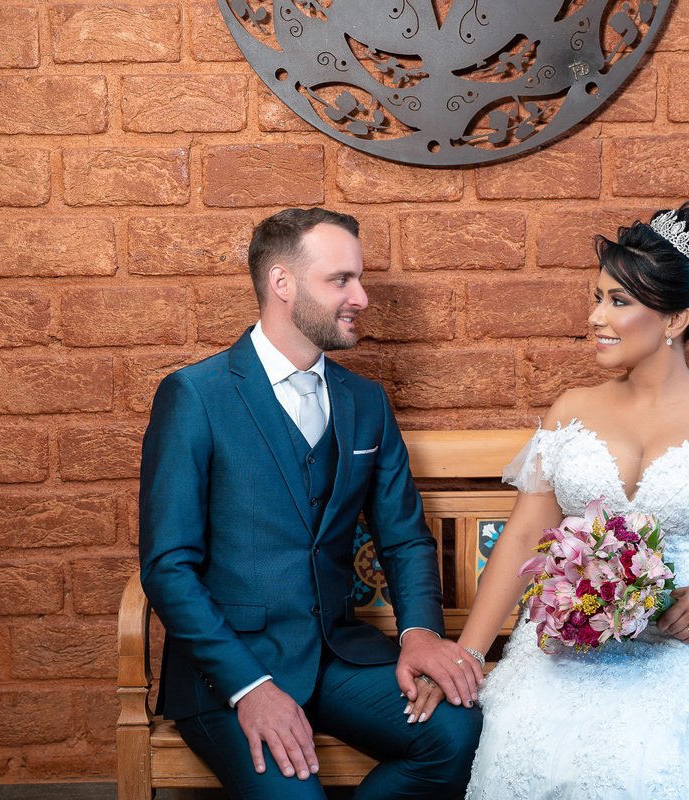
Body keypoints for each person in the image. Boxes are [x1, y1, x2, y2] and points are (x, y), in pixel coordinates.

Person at [407, 201, 689, 799]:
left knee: (638, 764)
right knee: (520, 740)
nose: (596, 317)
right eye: (597, 297)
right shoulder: (573, 410)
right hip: (563, 648)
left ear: (673, 319)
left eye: (618, 302)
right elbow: (522, 538)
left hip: (678, 649)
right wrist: (466, 656)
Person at [138, 207, 483, 800]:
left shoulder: (365, 402)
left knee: (457, 730)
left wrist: (420, 631)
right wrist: (249, 688)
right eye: (341, 280)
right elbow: (167, 569)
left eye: (360, 278)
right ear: (282, 283)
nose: (363, 297)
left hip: (336, 657)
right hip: (229, 673)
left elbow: (404, 538)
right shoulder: (195, 395)